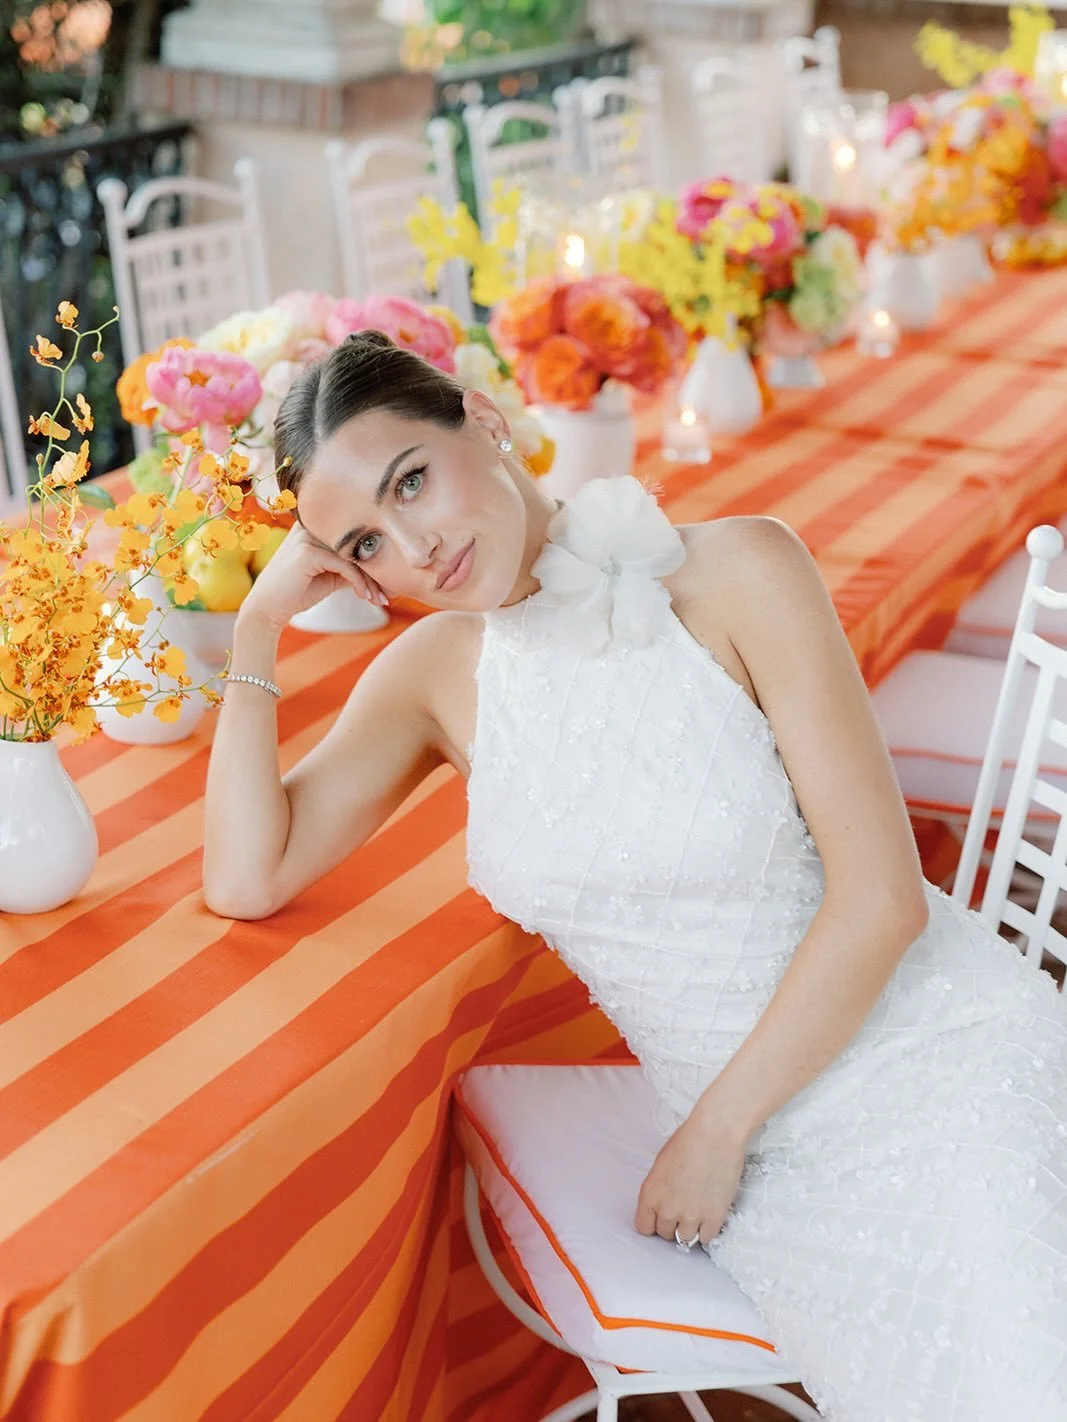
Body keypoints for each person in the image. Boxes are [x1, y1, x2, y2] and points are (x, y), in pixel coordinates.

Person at [203, 331, 1067, 1421]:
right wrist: (256, 622)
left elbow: (881, 899)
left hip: (919, 1065)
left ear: (481, 416)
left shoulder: (742, 567)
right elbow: (246, 874)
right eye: (366, 543)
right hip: (774, 1166)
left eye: (410, 480)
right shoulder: (431, 676)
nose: (414, 548)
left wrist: (713, 1134)